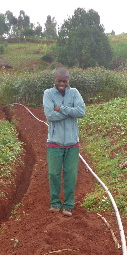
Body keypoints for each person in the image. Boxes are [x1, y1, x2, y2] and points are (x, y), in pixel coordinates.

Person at [43, 68, 86, 217]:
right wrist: (70, 111)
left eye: (65, 81)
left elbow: (81, 112)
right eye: (59, 80)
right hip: (54, 142)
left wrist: (61, 108)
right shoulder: (48, 93)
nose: (62, 83)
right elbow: (50, 115)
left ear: (68, 80)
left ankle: (68, 205)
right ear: (54, 80)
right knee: (53, 173)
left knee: (71, 175)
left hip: (72, 143)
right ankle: (55, 203)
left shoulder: (74, 92)